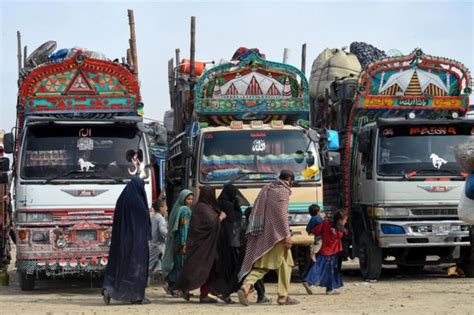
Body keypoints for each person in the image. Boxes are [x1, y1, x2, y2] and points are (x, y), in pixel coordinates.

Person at [238, 170, 299, 306]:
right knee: (286, 264)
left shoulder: (268, 188)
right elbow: (282, 216)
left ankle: (247, 286)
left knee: (264, 265)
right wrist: (287, 236)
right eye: (292, 181)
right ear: (289, 179)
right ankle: (282, 296)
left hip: (264, 235)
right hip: (278, 237)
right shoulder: (283, 191)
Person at [102, 176, 151, 305]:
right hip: (136, 244)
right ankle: (136, 296)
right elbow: (143, 225)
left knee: (118, 265)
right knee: (135, 269)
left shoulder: (122, 199)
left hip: (121, 241)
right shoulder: (138, 203)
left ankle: (109, 288)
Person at [173, 185, 227, 303]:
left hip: (201, 246)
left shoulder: (201, 207)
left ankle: (196, 291)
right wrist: (220, 218)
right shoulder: (203, 209)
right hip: (203, 247)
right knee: (201, 269)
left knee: (197, 269)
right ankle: (201, 294)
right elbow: (210, 224)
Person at [302, 210, 348, 295]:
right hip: (332, 252)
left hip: (323, 250)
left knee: (320, 267)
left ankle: (329, 288)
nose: (346, 221)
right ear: (339, 220)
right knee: (330, 270)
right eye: (345, 220)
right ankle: (309, 282)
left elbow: (316, 230)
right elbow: (341, 235)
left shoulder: (326, 222)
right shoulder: (340, 230)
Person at [161, 189, 194, 295]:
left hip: (176, 242)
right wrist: (184, 243)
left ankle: (171, 286)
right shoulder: (185, 210)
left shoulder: (177, 209)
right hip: (182, 242)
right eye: (188, 199)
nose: (190, 201)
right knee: (182, 265)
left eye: (192, 199)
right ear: (183, 199)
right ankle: (179, 288)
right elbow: (184, 227)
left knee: (177, 265)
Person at [148, 199, 168, 282]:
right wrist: (170, 234)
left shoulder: (154, 217)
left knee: (153, 263)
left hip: (154, 243)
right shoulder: (160, 219)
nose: (166, 209)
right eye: (165, 207)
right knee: (150, 264)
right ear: (161, 208)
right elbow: (163, 230)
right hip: (158, 245)